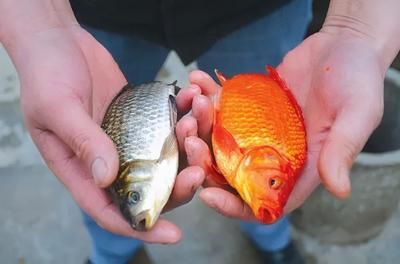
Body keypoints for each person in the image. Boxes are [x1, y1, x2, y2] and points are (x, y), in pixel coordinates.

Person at [0, 0, 398, 263]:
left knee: (270, 178)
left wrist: (358, 25)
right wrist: (39, 24)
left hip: (255, 8)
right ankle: (113, 253)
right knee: (96, 153)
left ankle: (272, 241)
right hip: (97, 11)